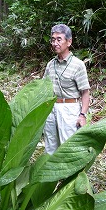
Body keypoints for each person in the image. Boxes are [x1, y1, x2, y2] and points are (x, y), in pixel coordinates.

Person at [43, 24, 90, 155]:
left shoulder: (78, 65)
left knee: (67, 145)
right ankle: (52, 174)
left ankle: (71, 175)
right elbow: (43, 88)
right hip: (51, 108)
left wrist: (82, 115)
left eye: (59, 39)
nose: (55, 43)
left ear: (69, 42)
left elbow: (85, 92)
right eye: (53, 40)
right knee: (50, 145)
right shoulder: (50, 65)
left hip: (70, 109)